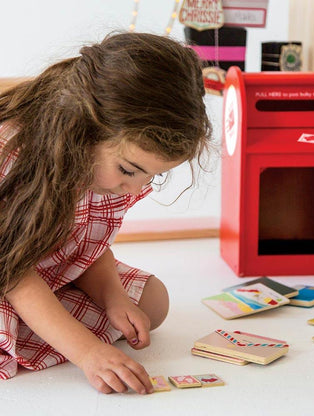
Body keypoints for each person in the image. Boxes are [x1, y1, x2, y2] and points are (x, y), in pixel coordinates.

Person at [0, 32, 212, 394]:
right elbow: (15, 273)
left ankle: (44, 327)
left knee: (151, 303)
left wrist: (112, 295)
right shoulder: (16, 153)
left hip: (40, 269)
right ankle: (43, 330)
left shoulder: (108, 170)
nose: (135, 187)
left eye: (152, 176)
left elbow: (85, 248)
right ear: (84, 131)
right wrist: (87, 352)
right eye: (130, 171)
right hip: (11, 271)